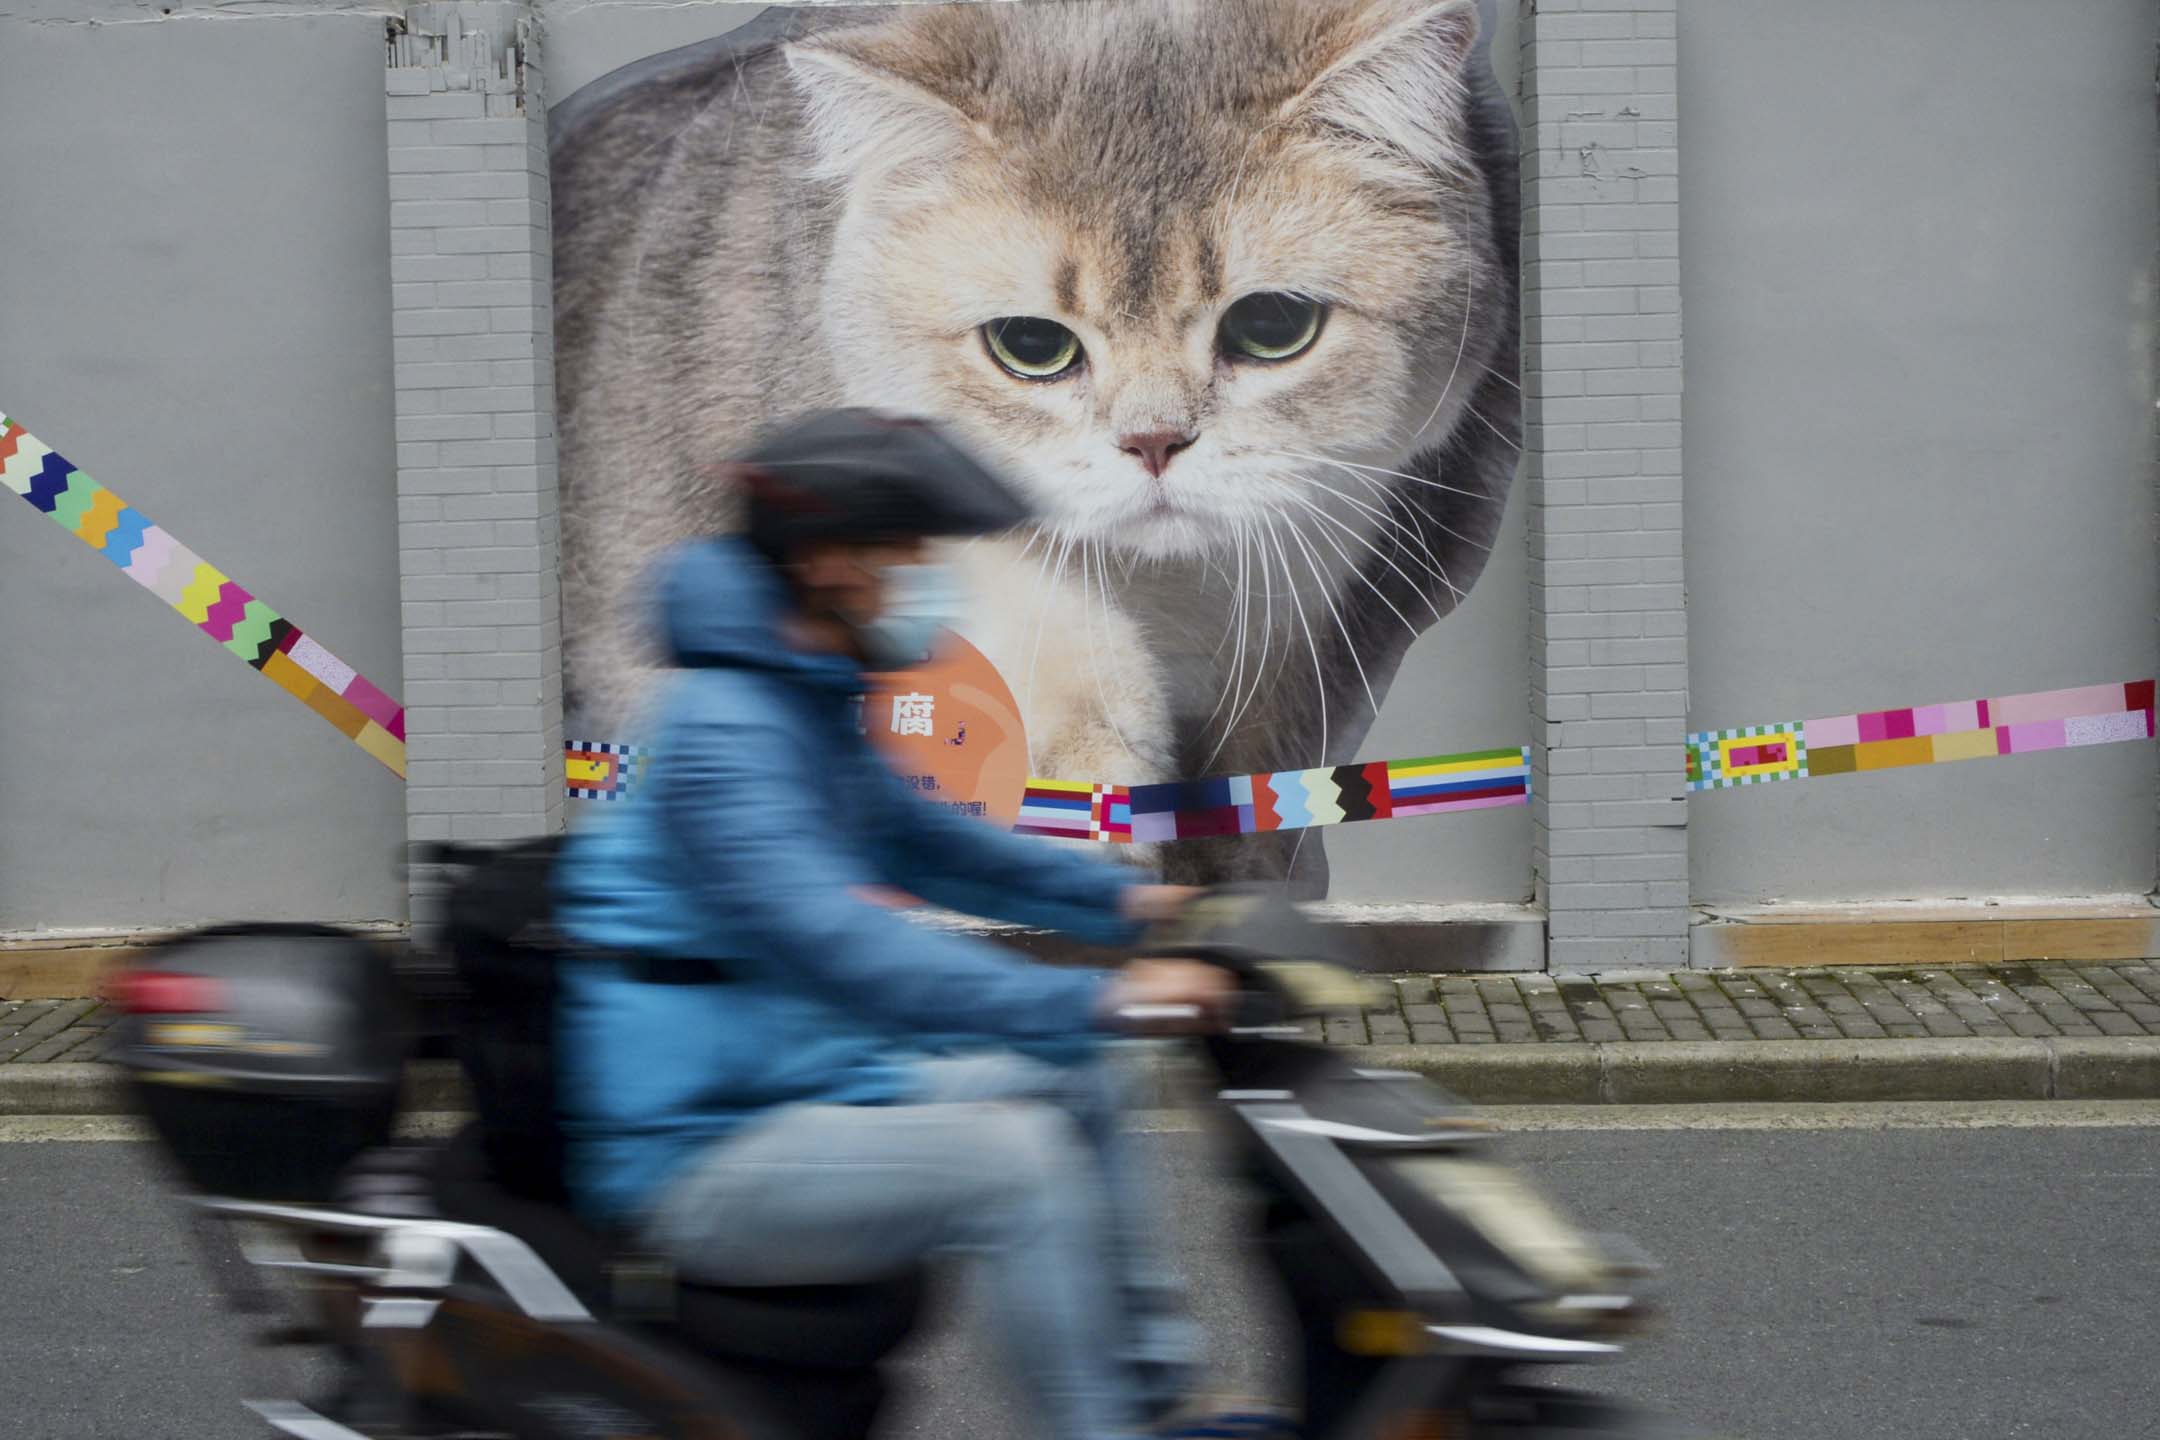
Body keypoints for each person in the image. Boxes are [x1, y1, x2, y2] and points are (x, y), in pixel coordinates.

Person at [552, 409, 1238, 1440]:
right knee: (1018, 1167)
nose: (929, 577)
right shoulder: (723, 733)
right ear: (828, 563)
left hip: (797, 1076)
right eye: (905, 550)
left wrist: (1131, 899)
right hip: (700, 1149)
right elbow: (847, 948)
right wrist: (1105, 995)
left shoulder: (803, 698)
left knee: (1078, 1073)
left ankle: (1150, 1395)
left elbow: (929, 844)